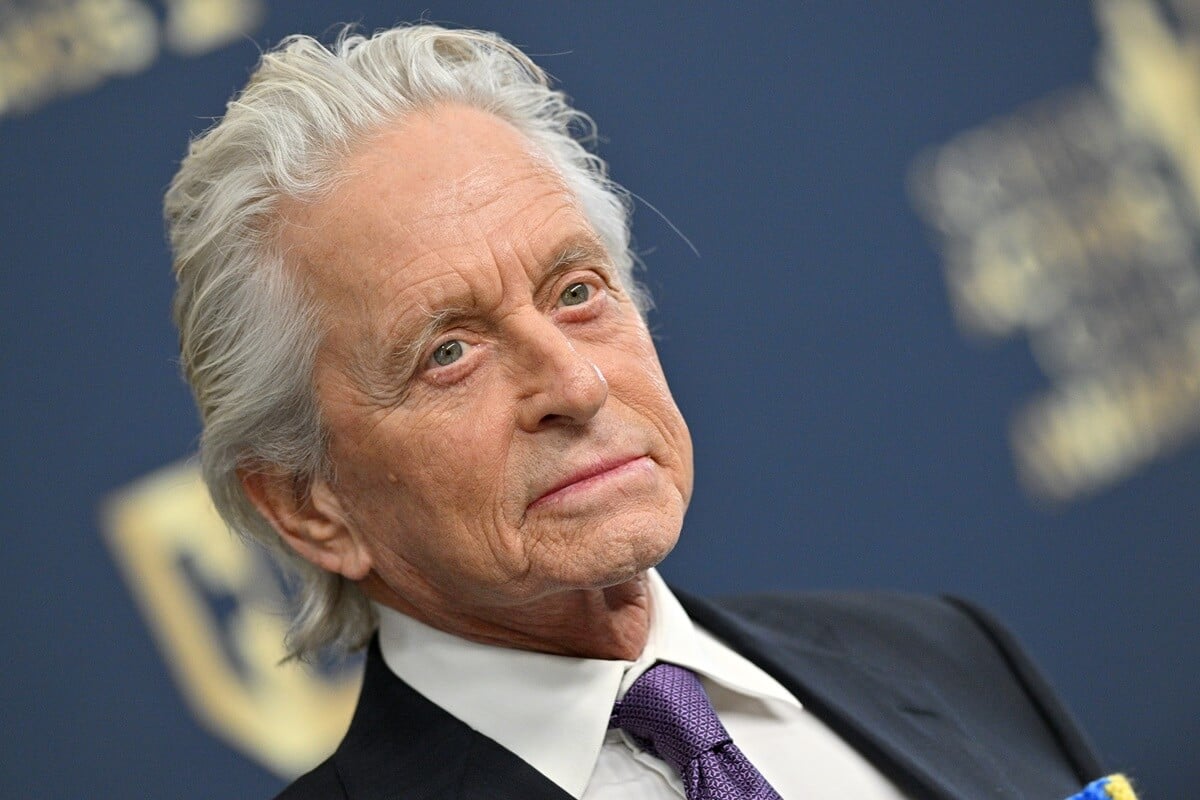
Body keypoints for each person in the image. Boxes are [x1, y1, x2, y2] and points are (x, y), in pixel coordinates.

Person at [165, 24, 1113, 800]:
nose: (575, 386)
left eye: (576, 291)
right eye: (448, 353)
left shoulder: (942, 654)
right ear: (309, 506)